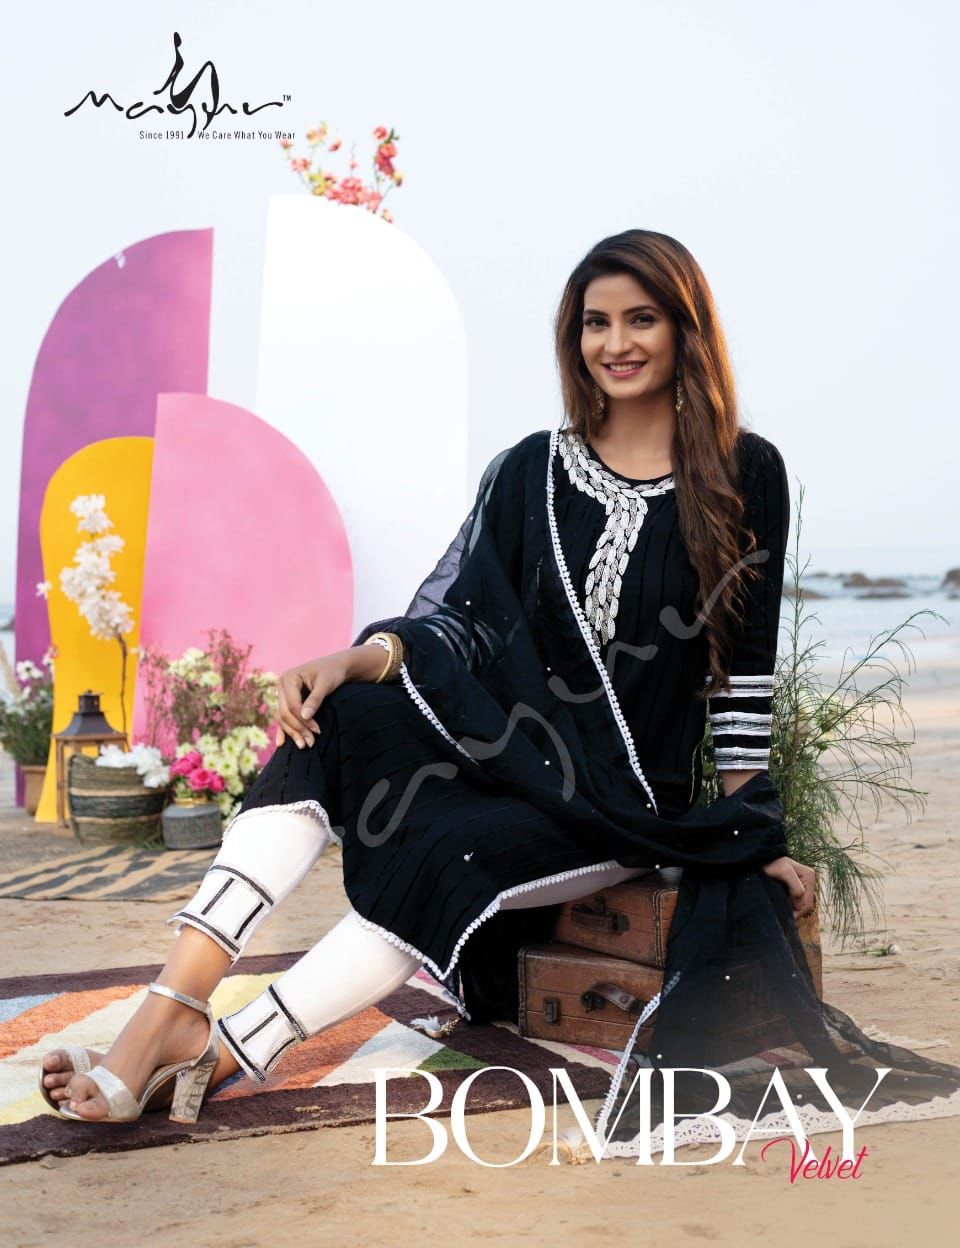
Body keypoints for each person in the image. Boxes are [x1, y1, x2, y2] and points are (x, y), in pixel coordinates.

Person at [40, 231, 960, 1148]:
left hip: (620, 803)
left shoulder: (743, 472)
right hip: (507, 756)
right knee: (340, 713)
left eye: (641, 319)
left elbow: (741, 675)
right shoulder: (532, 471)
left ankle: (228, 1051)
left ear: (687, 330)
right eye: (596, 323)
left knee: (447, 850)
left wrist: (752, 832)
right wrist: (352, 660)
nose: (616, 343)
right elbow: (462, 627)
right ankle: (170, 1007)